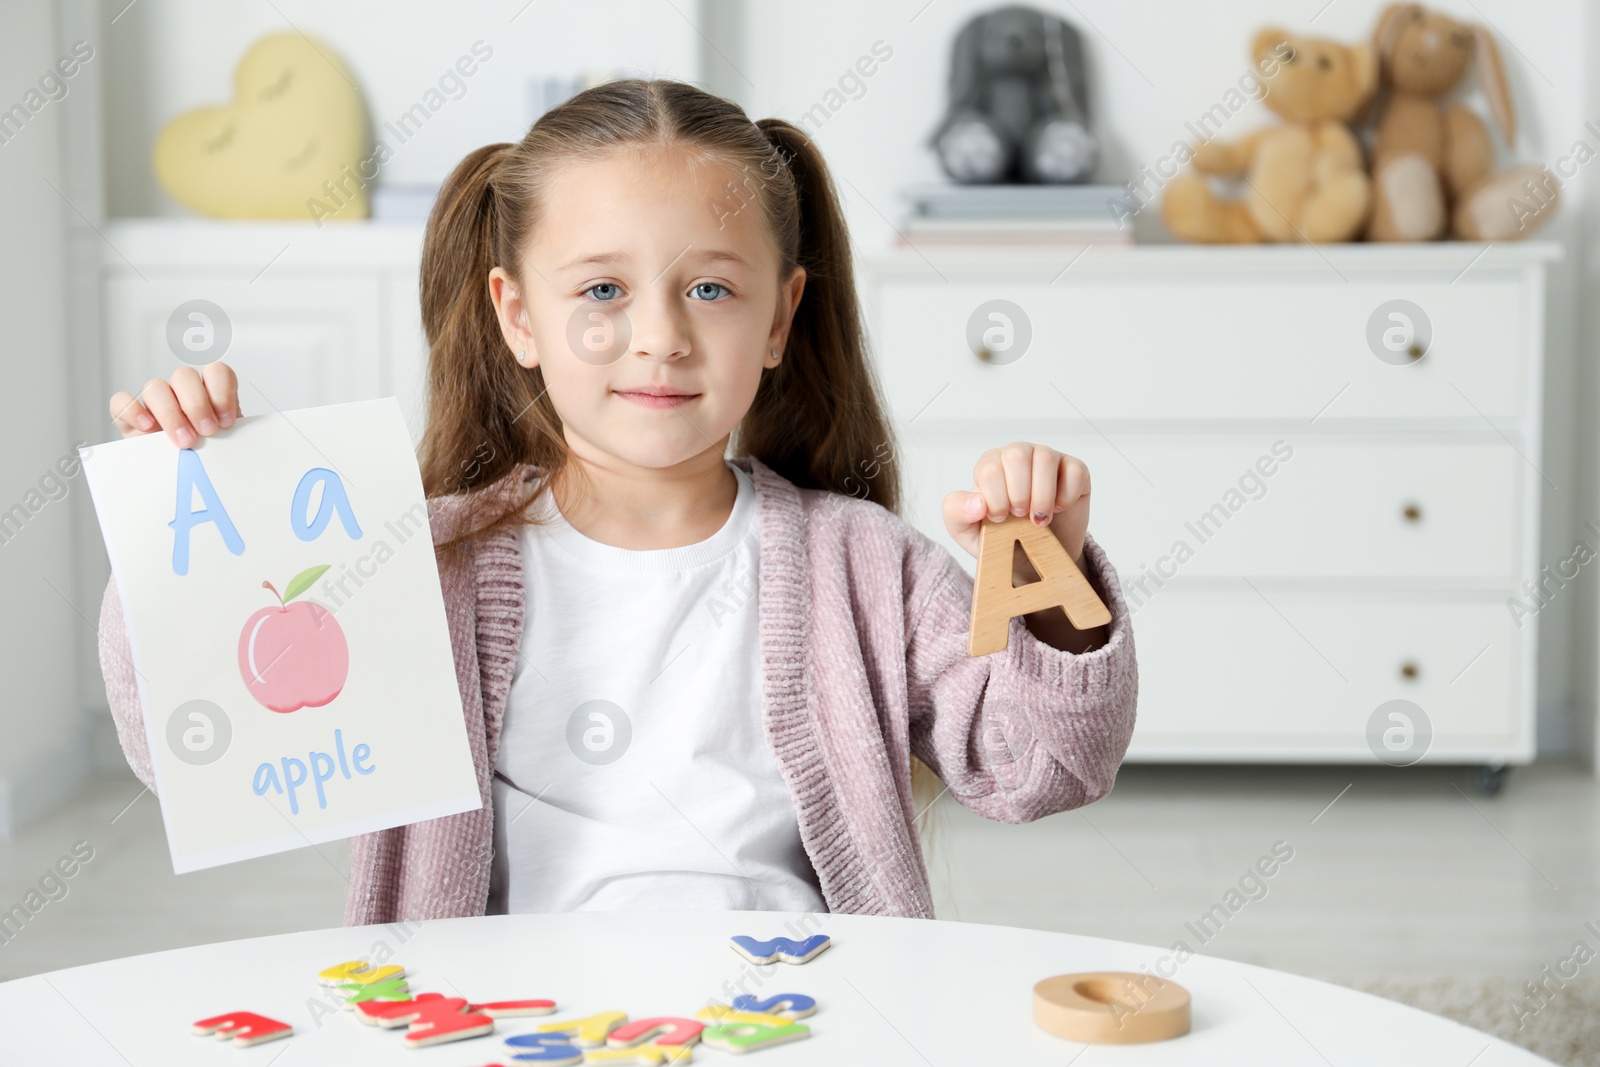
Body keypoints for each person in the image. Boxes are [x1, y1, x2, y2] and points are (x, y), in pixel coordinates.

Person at [99, 78, 1137, 924]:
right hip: (503, 1028)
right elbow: (183, 748)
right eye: (601, 289)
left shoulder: (863, 562)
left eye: (711, 289)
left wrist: (1045, 583)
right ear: (517, 316)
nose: (660, 337)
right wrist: (188, 514)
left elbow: (1036, 768)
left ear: (781, 318)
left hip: (797, 1021)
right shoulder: (422, 564)